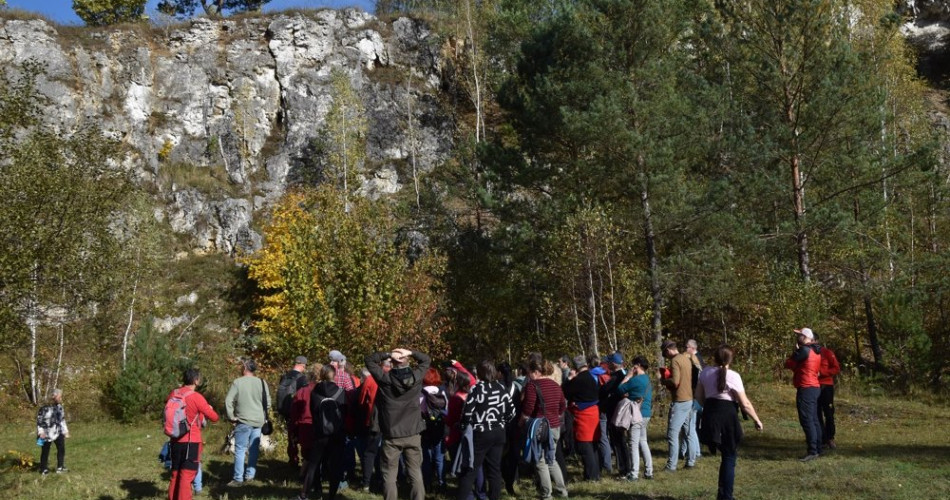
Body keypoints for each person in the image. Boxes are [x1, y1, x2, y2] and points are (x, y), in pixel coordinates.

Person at [695, 345, 763, 500]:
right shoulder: (733, 376)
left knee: (725, 455)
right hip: (728, 416)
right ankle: (726, 496)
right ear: (730, 359)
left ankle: (723, 493)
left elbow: (698, 396)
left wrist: (710, 407)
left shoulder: (705, 373)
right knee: (729, 457)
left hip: (711, 413)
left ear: (714, 357)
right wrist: (757, 419)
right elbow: (744, 403)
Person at [365, 348, 431, 500]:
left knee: (389, 474)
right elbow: (426, 359)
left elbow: (369, 360)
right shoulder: (416, 377)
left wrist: (388, 354)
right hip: (412, 432)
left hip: (392, 433)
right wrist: (411, 352)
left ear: (393, 363)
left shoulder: (385, 380)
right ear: (407, 361)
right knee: (415, 471)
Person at [457, 360, 515, 500]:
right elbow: (512, 412)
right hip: (499, 432)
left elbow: (467, 413)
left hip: (481, 433)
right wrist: (501, 422)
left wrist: (464, 426)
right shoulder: (501, 388)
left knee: (471, 469)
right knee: (494, 470)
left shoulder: (477, 389)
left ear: (480, 373)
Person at [166, 368, 219, 500]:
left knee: (175, 473)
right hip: (191, 441)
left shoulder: (174, 393)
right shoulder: (196, 397)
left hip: (174, 439)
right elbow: (214, 417)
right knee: (187, 475)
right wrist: (208, 409)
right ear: (196, 380)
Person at [298, 364, 348, 500]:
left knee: (314, 464)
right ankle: (331, 495)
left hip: (320, 433)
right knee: (335, 465)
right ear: (335, 376)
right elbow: (344, 413)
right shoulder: (341, 392)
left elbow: (314, 412)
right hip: (337, 433)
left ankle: (304, 494)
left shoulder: (315, 392)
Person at [522, 359, 568, 500]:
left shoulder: (532, 386)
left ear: (536, 372)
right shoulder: (555, 385)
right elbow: (562, 405)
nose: (528, 375)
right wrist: (554, 415)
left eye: (530, 372)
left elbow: (528, 408)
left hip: (540, 427)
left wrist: (522, 420)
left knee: (540, 461)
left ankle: (546, 495)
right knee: (552, 459)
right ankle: (562, 491)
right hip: (554, 426)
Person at [225, 358, 271, 486]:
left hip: (243, 420)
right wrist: (262, 415)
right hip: (258, 421)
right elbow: (268, 403)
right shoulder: (262, 382)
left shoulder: (238, 382)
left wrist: (231, 416)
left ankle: (238, 478)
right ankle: (250, 475)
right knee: (254, 448)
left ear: (245, 368)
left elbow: (228, 401)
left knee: (240, 449)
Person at [659, 340, 700, 471]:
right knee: (689, 432)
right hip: (689, 398)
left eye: (665, 354)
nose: (666, 357)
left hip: (680, 401)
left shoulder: (675, 360)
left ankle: (671, 466)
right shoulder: (686, 359)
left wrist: (663, 380)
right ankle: (691, 461)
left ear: (668, 350)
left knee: (672, 433)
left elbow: (675, 381)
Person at [785, 327, 823, 461]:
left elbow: (788, 363)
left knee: (807, 419)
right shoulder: (816, 350)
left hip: (806, 387)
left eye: (800, 335)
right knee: (814, 419)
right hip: (814, 387)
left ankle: (812, 450)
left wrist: (795, 351)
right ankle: (818, 448)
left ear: (805, 337)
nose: (797, 337)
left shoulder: (803, 350)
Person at [563, 354, 601, 481]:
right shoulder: (592, 376)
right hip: (594, 413)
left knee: (585, 446)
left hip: (584, 415)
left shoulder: (578, 380)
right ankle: (596, 473)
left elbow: (565, 391)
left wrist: (569, 378)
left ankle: (591, 476)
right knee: (593, 445)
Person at [617, 356, 654, 481]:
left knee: (633, 444)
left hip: (636, 414)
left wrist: (627, 377)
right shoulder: (647, 379)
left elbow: (620, 389)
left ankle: (634, 473)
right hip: (646, 413)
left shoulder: (635, 380)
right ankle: (649, 471)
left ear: (637, 365)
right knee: (643, 441)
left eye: (633, 365)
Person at [599, 352, 630, 477]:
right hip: (617, 410)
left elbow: (604, 390)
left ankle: (624, 468)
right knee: (619, 441)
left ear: (613, 363)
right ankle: (624, 467)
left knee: (619, 441)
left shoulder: (618, 376)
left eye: (609, 362)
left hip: (617, 411)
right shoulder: (624, 373)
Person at [291, 364, 322, 477]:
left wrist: (294, 429)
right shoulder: (326, 390)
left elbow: (295, 412)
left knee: (308, 455)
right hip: (321, 426)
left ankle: (304, 476)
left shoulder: (302, 391)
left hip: (305, 425)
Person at [421, 367, 448, 491]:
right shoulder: (441, 392)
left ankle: (427, 483)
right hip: (438, 426)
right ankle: (442, 483)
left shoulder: (420, 392)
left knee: (426, 457)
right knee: (439, 457)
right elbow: (446, 410)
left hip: (424, 427)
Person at [280, 355, 310, 466]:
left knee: (291, 437)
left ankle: (293, 459)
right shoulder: (302, 378)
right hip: (298, 411)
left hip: (286, 410)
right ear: (303, 365)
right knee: (302, 437)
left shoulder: (285, 376)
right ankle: (305, 461)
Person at [814, 333, 840, 449]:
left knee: (829, 413)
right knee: (816, 412)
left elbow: (836, 368)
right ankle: (821, 437)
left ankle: (830, 437)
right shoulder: (807, 353)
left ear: (817, 340)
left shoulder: (827, 353)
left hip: (826, 386)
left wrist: (823, 373)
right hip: (813, 386)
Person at [36, 389, 69, 475]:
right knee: (45, 451)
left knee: (61, 449)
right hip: (46, 433)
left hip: (57, 432)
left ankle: (60, 467)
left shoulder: (59, 407)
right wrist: (41, 432)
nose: (61, 398)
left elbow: (62, 420)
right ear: (54, 396)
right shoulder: (44, 408)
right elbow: (39, 421)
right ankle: (43, 469)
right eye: (59, 396)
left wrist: (65, 431)